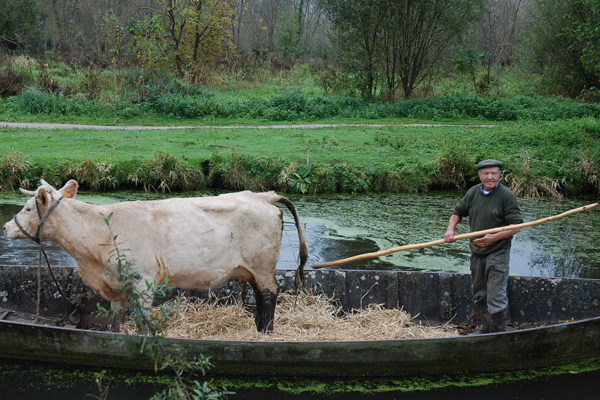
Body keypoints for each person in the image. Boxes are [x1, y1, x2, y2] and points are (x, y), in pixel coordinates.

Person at [444, 159, 523, 333]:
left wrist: (493, 238)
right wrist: (451, 230)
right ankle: (486, 327)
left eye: (494, 173)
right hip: (477, 251)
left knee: (495, 295)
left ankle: (497, 332)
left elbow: (516, 226)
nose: (490, 177)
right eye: (486, 173)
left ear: (499, 175)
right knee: (479, 293)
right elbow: (457, 212)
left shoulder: (506, 195)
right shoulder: (473, 193)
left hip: (498, 251)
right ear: (479, 175)